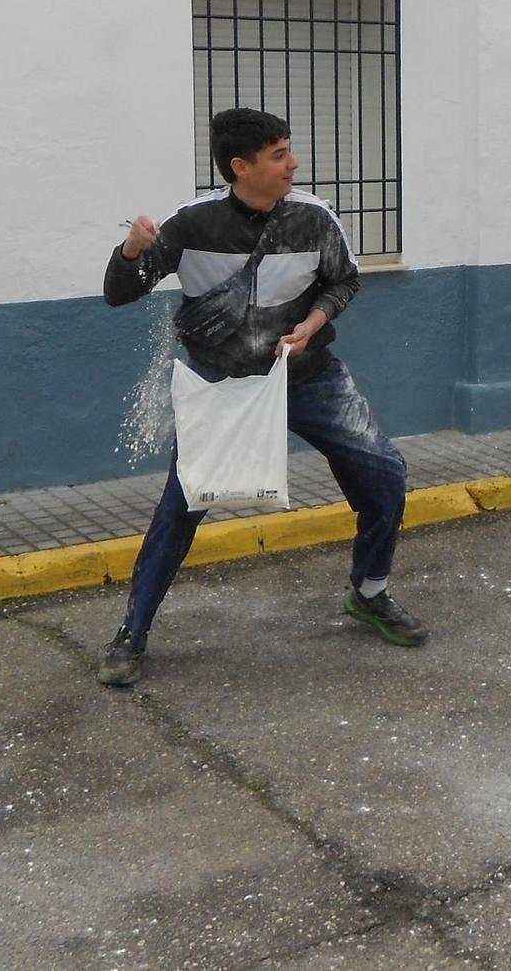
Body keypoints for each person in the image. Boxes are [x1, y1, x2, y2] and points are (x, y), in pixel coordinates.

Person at [95, 108, 423, 686]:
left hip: (309, 376)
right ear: (240, 167)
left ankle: (370, 592)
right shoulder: (191, 225)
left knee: (384, 472)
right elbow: (122, 294)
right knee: (183, 504)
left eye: (290, 151)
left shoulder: (315, 218)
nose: (293, 164)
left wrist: (313, 323)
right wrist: (130, 253)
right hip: (224, 386)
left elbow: (343, 279)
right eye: (279, 155)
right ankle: (132, 635)